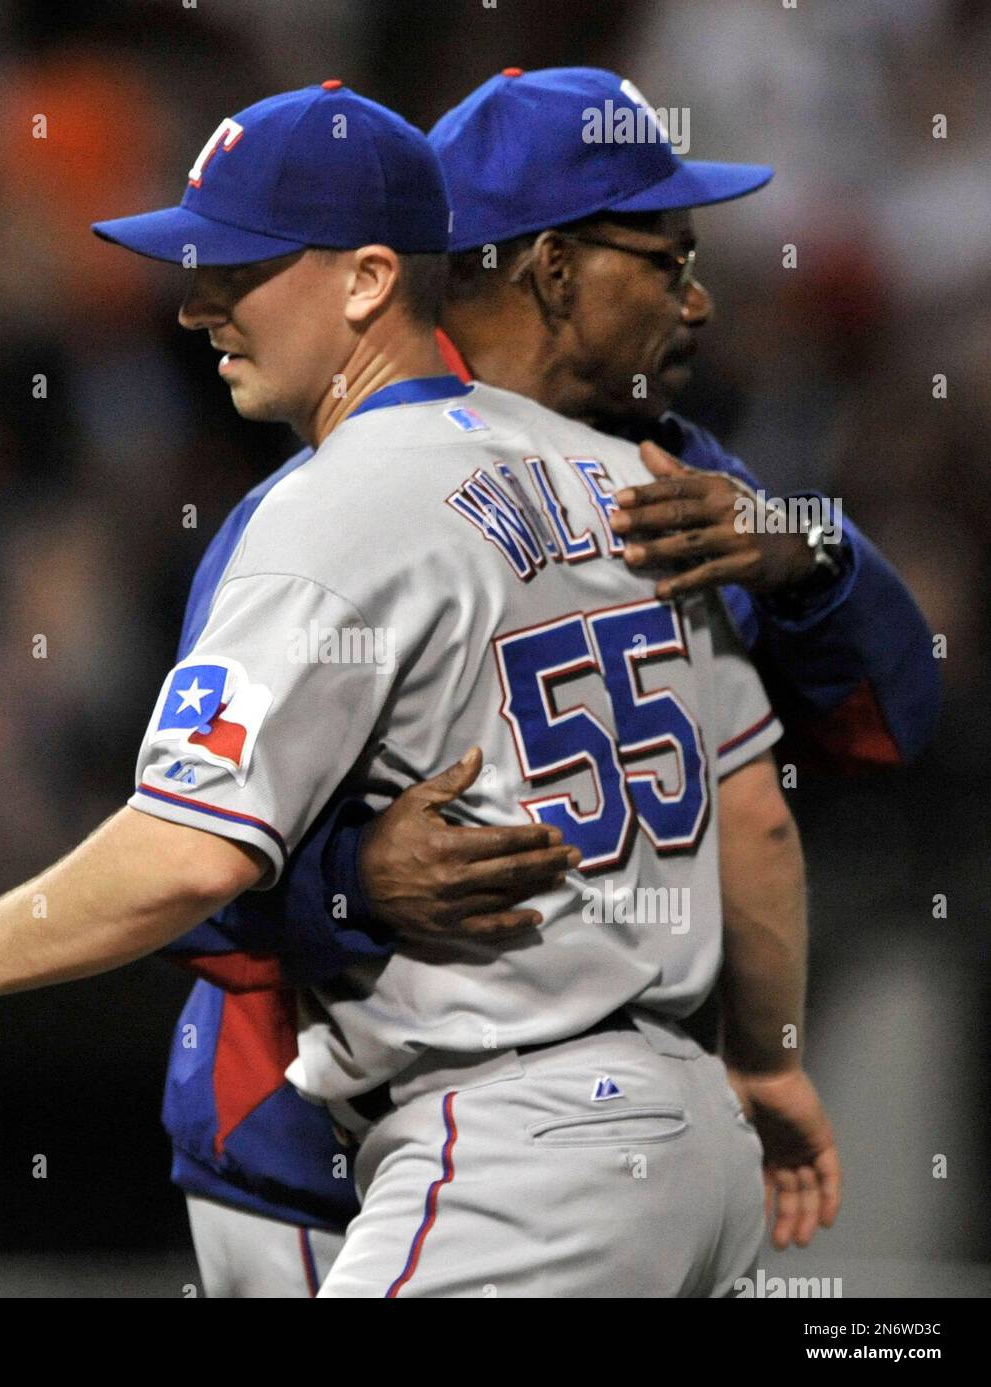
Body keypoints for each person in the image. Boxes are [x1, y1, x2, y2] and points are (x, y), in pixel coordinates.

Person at [0, 79, 821, 1295]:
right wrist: (770, 1063)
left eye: (238, 266)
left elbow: (187, 856)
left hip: (518, 1141)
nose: (195, 304)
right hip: (692, 1138)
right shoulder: (620, 478)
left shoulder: (333, 507)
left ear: (369, 278)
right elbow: (752, 812)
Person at [154, 69, 936, 1295]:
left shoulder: (671, 483)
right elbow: (177, 868)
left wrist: (811, 550)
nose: (701, 301)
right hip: (311, 1142)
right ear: (551, 269)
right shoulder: (325, 511)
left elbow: (890, 723)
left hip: (577, 1136)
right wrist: (353, 884)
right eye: (665, 258)